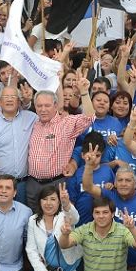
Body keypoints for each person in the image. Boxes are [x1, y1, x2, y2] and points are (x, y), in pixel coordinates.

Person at [26, 83, 95, 211]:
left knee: (58, 220)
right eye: (39, 106)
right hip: (32, 184)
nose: (43, 109)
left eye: (47, 105)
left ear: (56, 105)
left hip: (56, 184)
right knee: (34, 220)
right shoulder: (32, 123)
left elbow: (90, 117)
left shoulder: (66, 123)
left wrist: (84, 93)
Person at [25, 183, 83, 271]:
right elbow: (31, 249)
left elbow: (75, 218)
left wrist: (66, 203)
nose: (48, 203)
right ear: (39, 201)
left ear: (58, 202)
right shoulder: (33, 220)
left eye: (53, 199)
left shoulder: (64, 216)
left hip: (71, 270)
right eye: (45, 199)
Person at [0, 86, 38, 205]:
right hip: (0, 183)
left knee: (23, 214)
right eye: (6, 97)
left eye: (13, 97)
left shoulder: (32, 118)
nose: (9, 100)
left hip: (23, 184)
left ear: (19, 101)